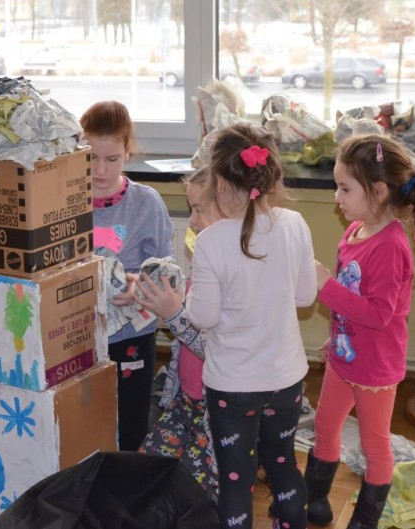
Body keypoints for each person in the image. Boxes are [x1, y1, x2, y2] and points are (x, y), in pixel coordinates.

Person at [182, 122, 317, 529]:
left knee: (236, 480)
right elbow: (305, 297)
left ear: (220, 183)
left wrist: (186, 298)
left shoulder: (210, 242)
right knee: (283, 464)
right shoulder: (295, 223)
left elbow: (203, 317)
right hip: (286, 379)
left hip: (233, 386)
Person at [310, 134, 415, 529]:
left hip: (376, 369)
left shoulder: (391, 246)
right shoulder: (354, 231)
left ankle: (364, 520)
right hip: (344, 357)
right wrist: (338, 333)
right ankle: (314, 502)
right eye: (337, 187)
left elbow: (379, 315)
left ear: (379, 191)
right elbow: (352, 298)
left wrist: (325, 286)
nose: (337, 197)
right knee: (324, 427)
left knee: (374, 445)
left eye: (345, 188)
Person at [79, 101, 174, 451]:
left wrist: (136, 285)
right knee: (85, 418)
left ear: (128, 152)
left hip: (133, 333)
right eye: (91, 158)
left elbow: (167, 271)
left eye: (112, 159)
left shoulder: (147, 203)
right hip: (82, 333)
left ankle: (129, 477)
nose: (100, 170)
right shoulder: (65, 202)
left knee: (132, 423)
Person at [136, 166, 220, 501]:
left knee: (196, 496)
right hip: (185, 400)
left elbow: (214, 349)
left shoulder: (231, 274)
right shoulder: (204, 259)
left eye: (200, 209)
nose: (193, 221)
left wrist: (173, 313)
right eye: (191, 210)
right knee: (144, 474)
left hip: (215, 412)